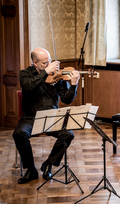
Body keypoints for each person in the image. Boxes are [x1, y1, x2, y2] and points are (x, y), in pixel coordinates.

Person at [12, 47, 80, 184]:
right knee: (19, 133)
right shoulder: (25, 74)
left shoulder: (56, 75)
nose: (48, 65)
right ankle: (31, 170)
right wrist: (45, 73)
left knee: (68, 134)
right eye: (44, 63)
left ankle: (49, 164)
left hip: (52, 117)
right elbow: (28, 87)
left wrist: (73, 85)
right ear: (35, 62)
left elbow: (66, 99)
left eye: (49, 62)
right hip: (30, 117)